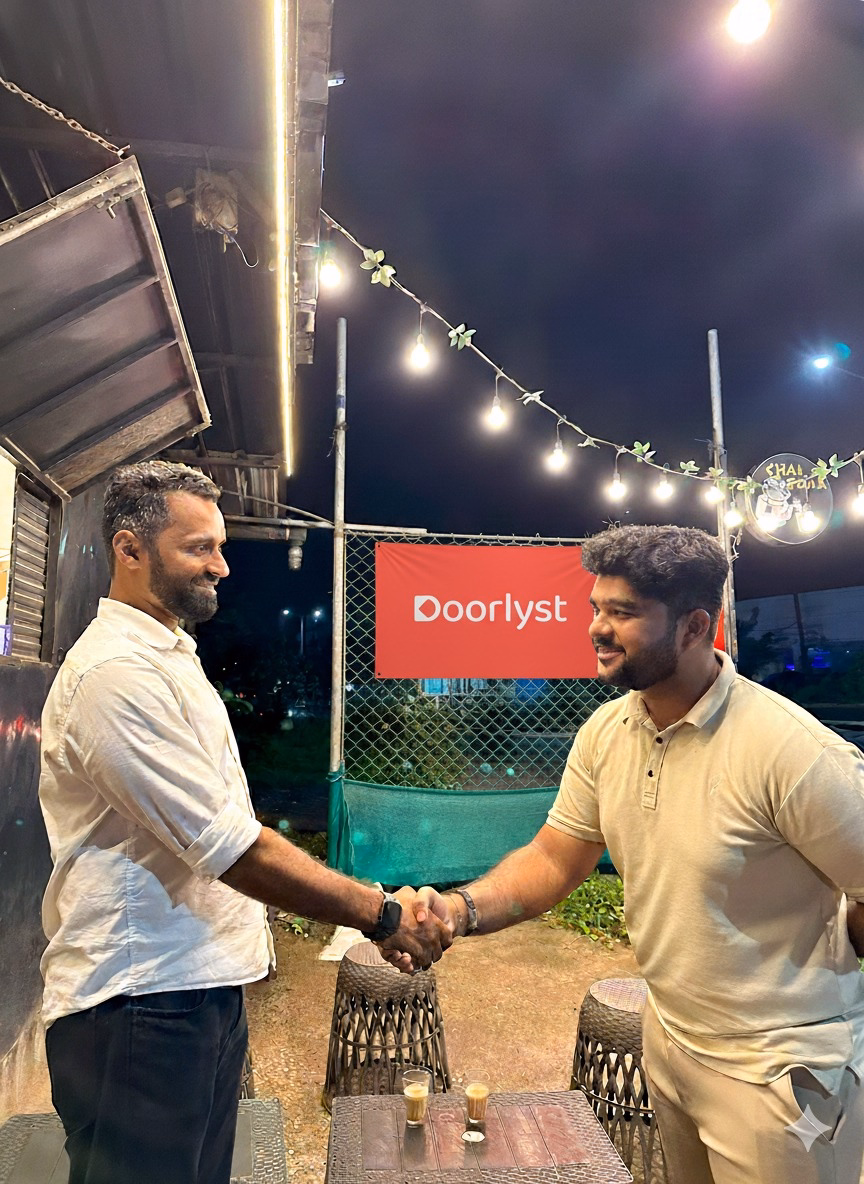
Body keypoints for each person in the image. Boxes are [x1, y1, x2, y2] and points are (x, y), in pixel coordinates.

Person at [392, 523, 864, 1184]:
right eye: (596, 609)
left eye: (623, 613)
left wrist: (831, 964)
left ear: (695, 627)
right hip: (672, 1040)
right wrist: (459, 909)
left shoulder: (792, 750)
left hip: (779, 1067)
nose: (597, 628)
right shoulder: (608, 732)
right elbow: (557, 857)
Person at [39, 460, 449, 1184]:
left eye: (220, 545)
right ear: (130, 550)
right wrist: (383, 914)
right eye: (199, 548)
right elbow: (231, 847)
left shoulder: (165, 653)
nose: (222, 566)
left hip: (190, 993)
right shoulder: (115, 676)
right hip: (138, 1006)